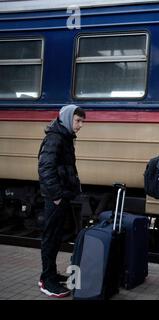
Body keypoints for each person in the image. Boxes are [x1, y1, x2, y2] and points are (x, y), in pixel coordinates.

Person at [38, 104, 85, 297]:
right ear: (67, 119)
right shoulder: (55, 138)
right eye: (78, 121)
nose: (81, 125)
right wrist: (56, 195)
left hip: (63, 195)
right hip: (55, 197)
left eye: (83, 121)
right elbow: (45, 168)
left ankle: (49, 274)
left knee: (56, 237)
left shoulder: (65, 137)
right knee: (50, 238)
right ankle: (46, 281)